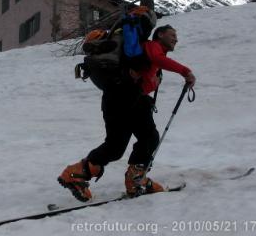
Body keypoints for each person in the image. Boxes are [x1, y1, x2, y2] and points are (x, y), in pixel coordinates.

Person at [58, 24, 196, 201]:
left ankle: (75, 174)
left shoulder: (143, 55)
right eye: (172, 34)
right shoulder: (152, 47)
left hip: (116, 98)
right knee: (148, 137)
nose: (176, 38)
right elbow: (157, 59)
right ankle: (135, 180)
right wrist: (185, 72)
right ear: (160, 35)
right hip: (129, 98)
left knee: (116, 147)